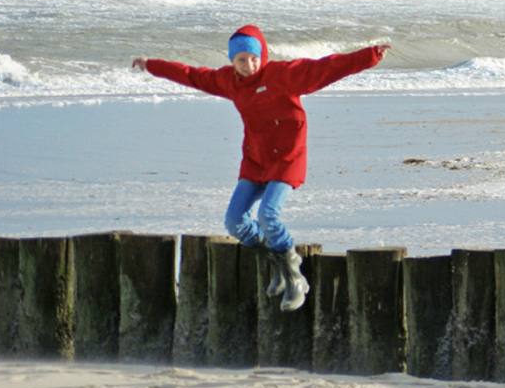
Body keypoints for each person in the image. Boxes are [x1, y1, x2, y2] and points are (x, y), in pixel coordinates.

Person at [132, 25, 388, 310]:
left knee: (268, 214)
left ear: (262, 56)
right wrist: (151, 65)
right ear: (232, 61)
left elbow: (325, 68)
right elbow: (192, 75)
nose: (248, 65)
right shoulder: (228, 81)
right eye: (241, 60)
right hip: (256, 160)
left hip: (287, 159)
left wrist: (370, 55)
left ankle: (294, 277)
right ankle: (276, 263)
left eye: (253, 58)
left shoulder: (282, 75)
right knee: (234, 222)